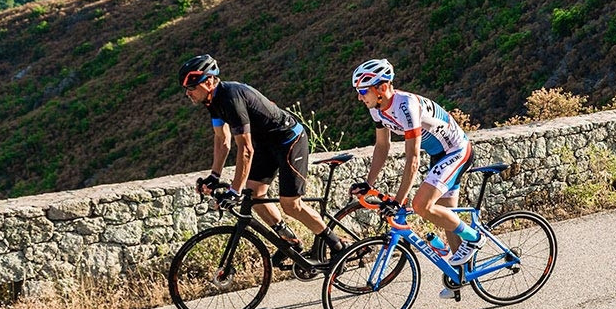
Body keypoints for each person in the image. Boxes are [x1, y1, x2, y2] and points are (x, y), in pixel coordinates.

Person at [178, 54, 341, 261]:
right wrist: (214, 175)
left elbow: (245, 149)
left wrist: (234, 190)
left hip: (289, 140)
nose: (188, 93)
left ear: (209, 81)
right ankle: (290, 241)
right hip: (266, 143)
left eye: (191, 87)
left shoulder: (230, 98)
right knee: (254, 195)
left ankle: (337, 244)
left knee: (290, 204)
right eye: (186, 89)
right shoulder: (213, 101)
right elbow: (222, 140)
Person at [350, 59, 479, 280]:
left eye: (363, 91)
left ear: (382, 88)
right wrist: (369, 183)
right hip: (439, 155)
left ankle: (474, 238)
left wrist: (399, 200)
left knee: (421, 205)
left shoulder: (405, 106)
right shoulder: (377, 109)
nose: (359, 97)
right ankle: (462, 276)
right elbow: (382, 146)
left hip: (456, 151)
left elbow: (412, 158)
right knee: (446, 217)